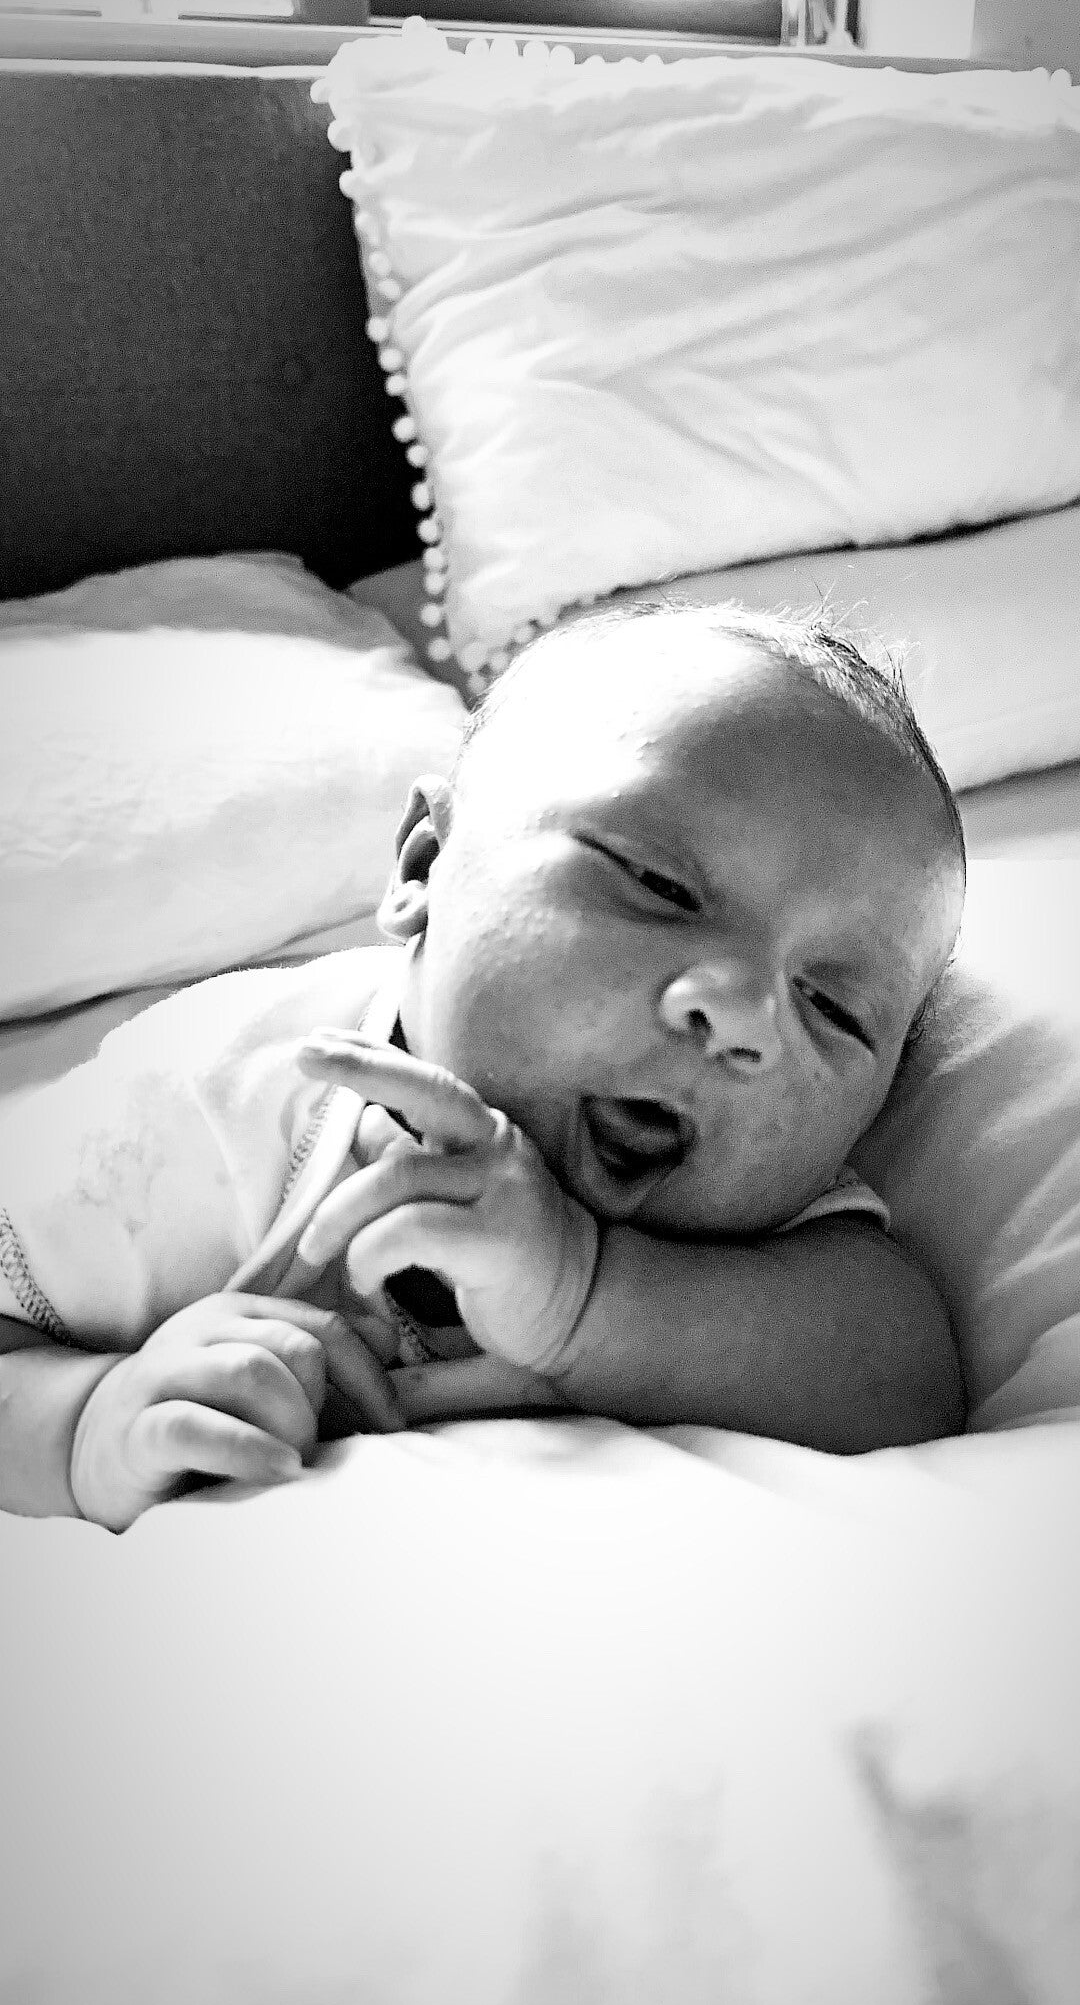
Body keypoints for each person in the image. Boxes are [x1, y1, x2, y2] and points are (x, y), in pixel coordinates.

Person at [0, 603, 967, 1530]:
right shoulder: (218, 1099)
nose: (742, 1016)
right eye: (659, 885)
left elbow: (904, 1385)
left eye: (833, 1009)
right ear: (425, 864)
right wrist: (86, 1422)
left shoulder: (767, 1233)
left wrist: (585, 1298)